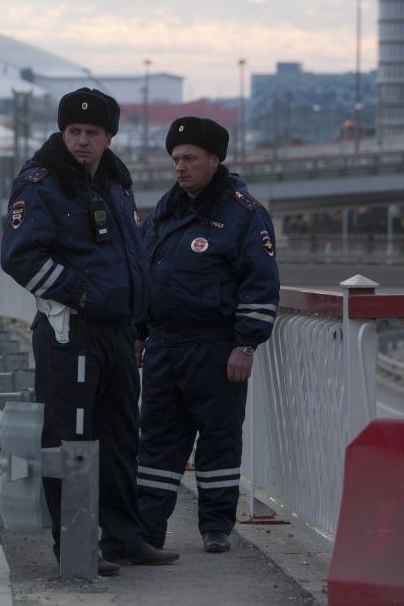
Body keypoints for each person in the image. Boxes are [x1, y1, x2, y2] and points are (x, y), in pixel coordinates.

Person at [0, 88, 180, 576]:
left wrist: (135, 318)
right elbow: (20, 256)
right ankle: (75, 543)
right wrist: (79, 294)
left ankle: (124, 538)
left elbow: (130, 257)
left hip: (119, 334)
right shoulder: (40, 183)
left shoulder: (115, 183)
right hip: (70, 332)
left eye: (93, 133)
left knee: (122, 437)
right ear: (63, 132)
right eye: (74, 131)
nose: (82, 140)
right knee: (71, 439)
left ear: (108, 137)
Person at [136, 116, 281, 554]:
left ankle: (216, 527)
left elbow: (260, 283)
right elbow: (147, 272)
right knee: (157, 441)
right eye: (175, 159)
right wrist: (140, 333)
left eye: (190, 159)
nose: (180, 167)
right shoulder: (166, 209)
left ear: (214, 160)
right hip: (163, 345)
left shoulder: (244, 214)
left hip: (216, 347)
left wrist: (245, 344)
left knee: (218, 439)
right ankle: (147, 532)